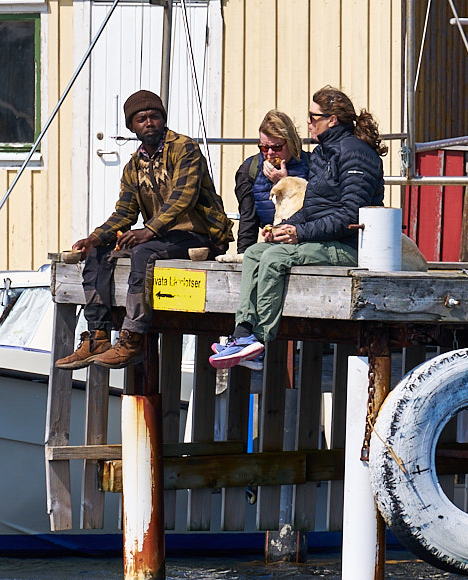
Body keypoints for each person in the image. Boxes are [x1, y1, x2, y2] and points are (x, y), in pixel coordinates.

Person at [210, 86, 383, 369]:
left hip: (350, 246)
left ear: (333, 120)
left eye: (313, 117)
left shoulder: (356, 154)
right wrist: (284, 227)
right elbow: (313, 208)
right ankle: (242, 332)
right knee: (257, 251)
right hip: (324, 240)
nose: (308, 122)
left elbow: (351, 216)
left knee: (275, 257)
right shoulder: (324, 153)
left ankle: (260, 342)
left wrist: (299, 233)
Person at [59, 89, 232, 370]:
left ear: (163, 119)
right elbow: (124, 212)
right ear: (132, 126)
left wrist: (148, 231)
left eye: (154, 116)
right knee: (101, 252)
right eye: (141, 119)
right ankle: (98, 335)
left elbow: (183, 198)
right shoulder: (133, 166)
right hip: (162, 236)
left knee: (142, 253)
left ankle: (132, 338)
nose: (149, 123)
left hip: (198, 235)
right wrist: (95, 237)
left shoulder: (184, 149)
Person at [231, 110, 307, 253]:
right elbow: (248, 221)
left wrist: (284, 183)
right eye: (264, 147)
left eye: (277, 147)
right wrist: (243, 256)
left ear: (290, 143)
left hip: (304, 242)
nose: (270, 153)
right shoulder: (250, 170)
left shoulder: (311, 164)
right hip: (273, 244)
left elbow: (316, 210)